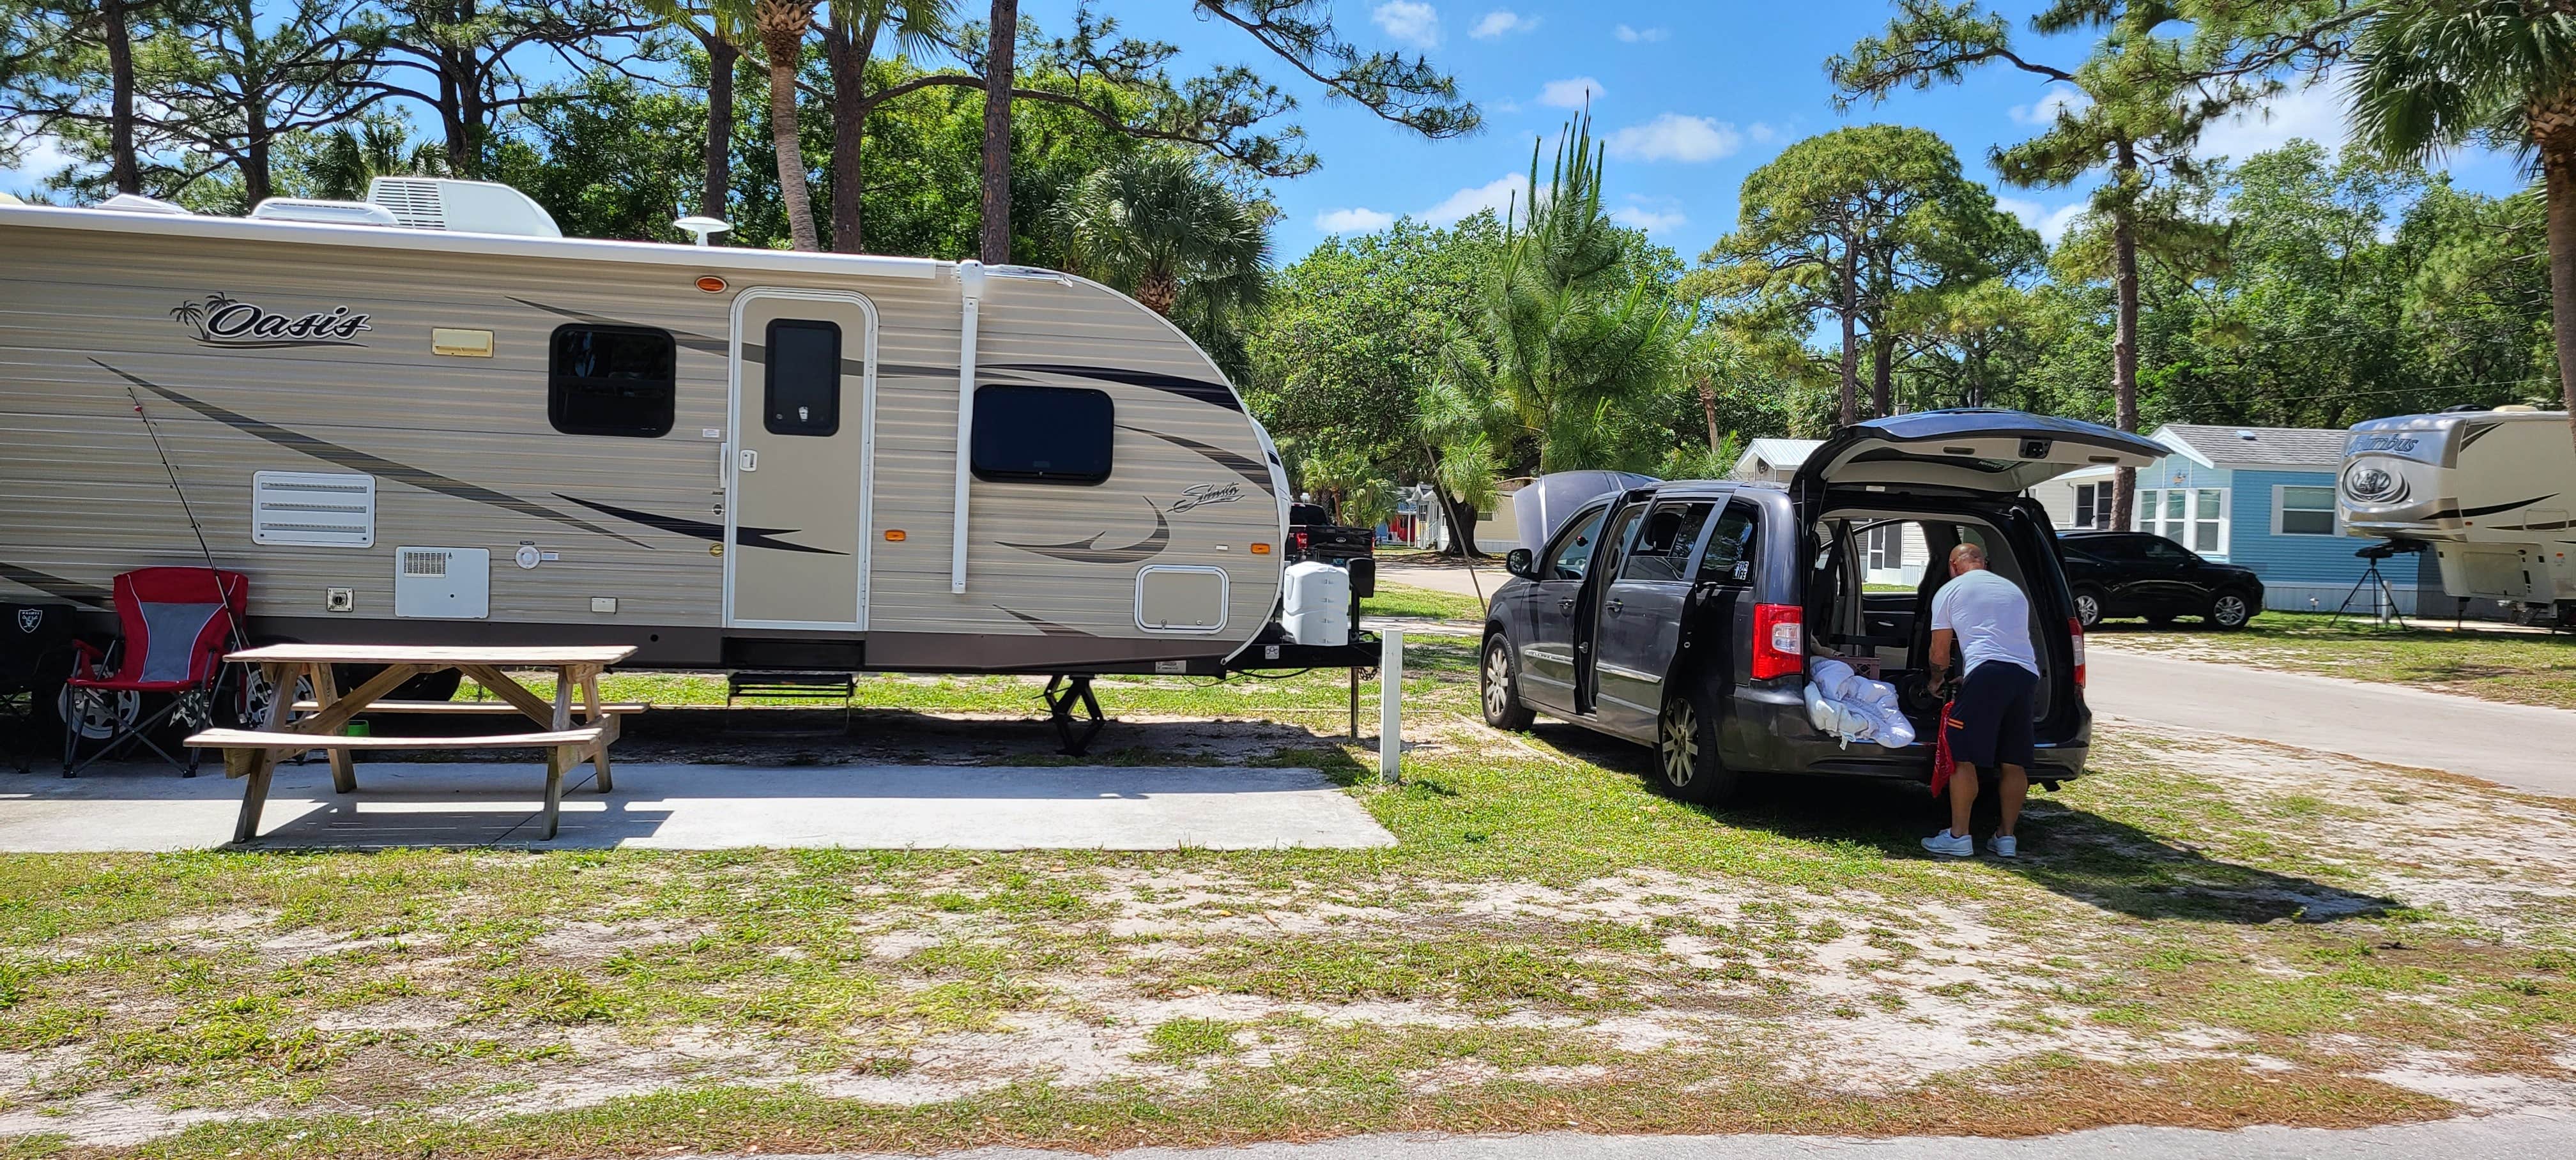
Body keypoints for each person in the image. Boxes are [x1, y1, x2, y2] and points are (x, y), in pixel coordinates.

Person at [1922, 541, 2040, 859]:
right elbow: (2005, 642)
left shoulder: (1950, 590)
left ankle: (1959, 836)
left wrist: (1937, 680)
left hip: (1986, 675)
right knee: (2013, 760)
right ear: (1984, 563)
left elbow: (1940, 652)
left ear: (1952, 566)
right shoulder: (2013, 591)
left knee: (1963, 755)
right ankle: (2006, 837)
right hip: (2025, 675)